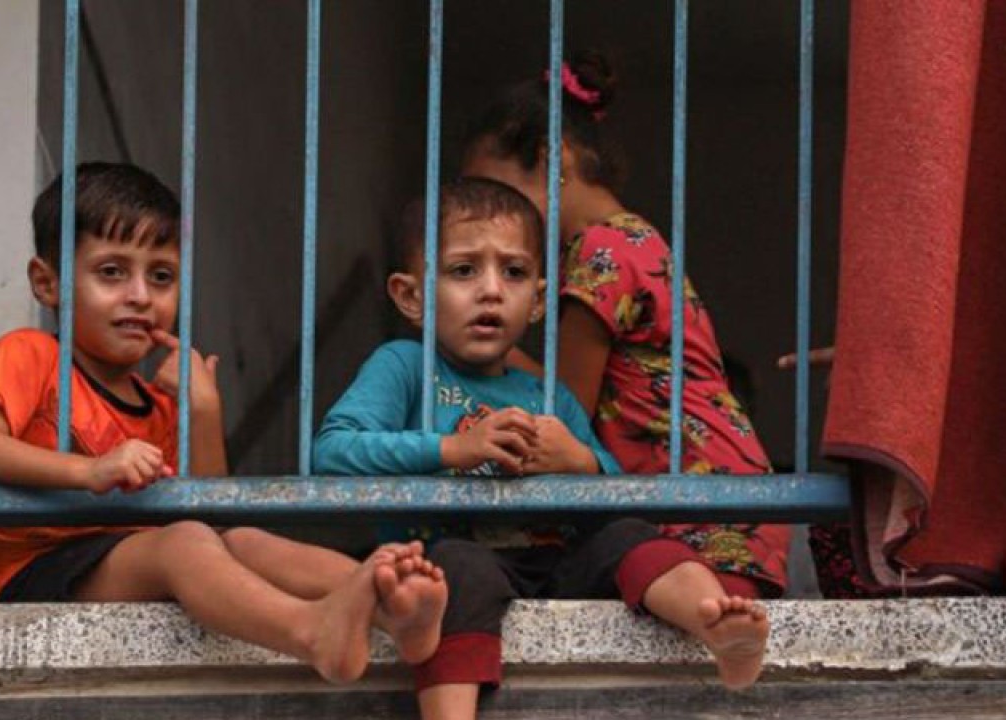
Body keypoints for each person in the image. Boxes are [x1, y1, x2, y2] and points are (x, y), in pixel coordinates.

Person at [0, 162, 446, 684]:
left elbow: (213, 514)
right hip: (39, 570)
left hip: (133, 559)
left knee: (244, 539)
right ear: (47, 284)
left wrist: (204, 412)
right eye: (112, 272)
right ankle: (309, 630)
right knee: (182, 542)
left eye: (160, 276)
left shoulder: (159, 402)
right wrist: (88, 471)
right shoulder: (31, 355)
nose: (141, 295)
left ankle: (391, 602)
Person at [315, 177, 769, 720]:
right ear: (410, 295)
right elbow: (334, 451)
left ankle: (714, 620)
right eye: (464, 270)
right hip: (451, 558)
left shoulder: (545, 395)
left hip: (555, 559)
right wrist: (453, 448)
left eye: (514, 272)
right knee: (456, 571)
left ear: (537, 299)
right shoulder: (404, 366)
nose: (491, 290)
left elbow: (615, 491)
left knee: (628, 535)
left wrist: (578, 462)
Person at [462, 51, 791, 617]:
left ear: (549, 160)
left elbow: (565, 409)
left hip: (698, 525)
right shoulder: (624, 241)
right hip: (719, 517)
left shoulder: (602, 249)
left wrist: (477, 356)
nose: (484, 216)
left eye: (492, 192)